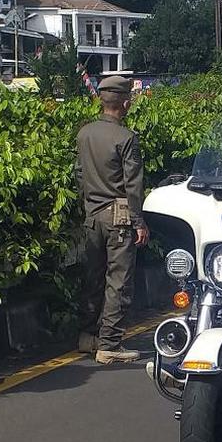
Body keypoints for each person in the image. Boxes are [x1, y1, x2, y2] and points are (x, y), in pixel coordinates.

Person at [75, 76, 149, 364]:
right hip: (119, 216)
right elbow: (133, 185)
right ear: (126, 103)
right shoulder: (126, 138)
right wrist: (139, 222)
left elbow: (80, 174)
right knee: (118, 280)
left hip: (92, 214)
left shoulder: (84, 133)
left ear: (101, 101)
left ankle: (87, 337)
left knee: (92, 276)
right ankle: (109, 344)